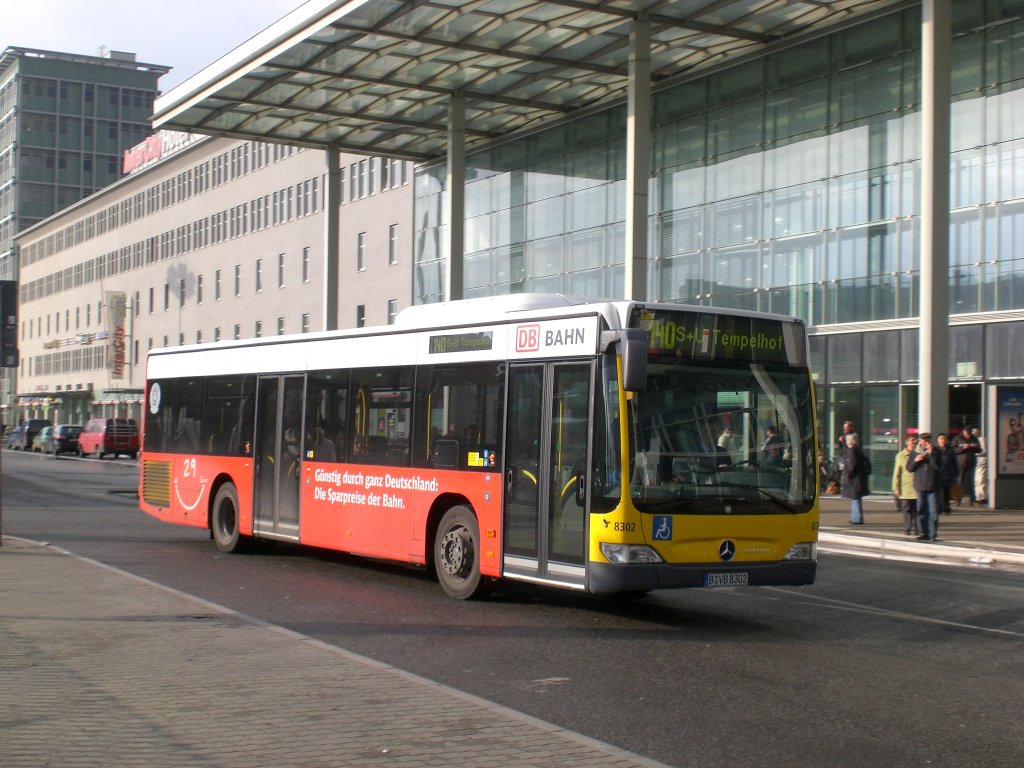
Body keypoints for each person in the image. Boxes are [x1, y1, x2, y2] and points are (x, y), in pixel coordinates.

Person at [907, 432, 941, 541]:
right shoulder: (915, 452)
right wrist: (916, 461)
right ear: (920, 441)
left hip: (933, 486)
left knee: (933, 511)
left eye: (928, 441)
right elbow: (909, 468)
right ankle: (923, 533)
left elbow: (938, 467)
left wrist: (931, 455)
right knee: (921, 510)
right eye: (923, 441)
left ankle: (932, 534)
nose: (925, 443)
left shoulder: (936, 452)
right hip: (920, 485)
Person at [840, 432, 869, 525]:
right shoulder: (859, 449)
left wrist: (848, 474)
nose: (847, 441)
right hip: (860, 478)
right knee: (857, 498)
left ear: (851, 441)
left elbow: (852, 464)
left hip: (854, 478)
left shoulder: (852, 450)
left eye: (848, 440)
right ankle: (858, 517)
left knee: (855, 498)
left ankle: (856, 518)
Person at [892, 433, 918, 535]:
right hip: (905, 487)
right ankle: (907, 528)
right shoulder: (900, 456)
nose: (913, 442)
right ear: (907, 442)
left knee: (917, 510)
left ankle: (917, 528)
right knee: (907, 509)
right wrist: (896, 488)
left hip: (917, 486)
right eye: (911, 440)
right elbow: (896, 473)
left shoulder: (919, 454)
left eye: (915, 440)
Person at [952, 427, 980, 506]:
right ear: (963, 432)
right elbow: (953, 449)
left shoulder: (974, 438)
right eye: (966, 433)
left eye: (969, 433)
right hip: (961, 463)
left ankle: (972, 500)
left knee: (971, 481)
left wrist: (976, 447)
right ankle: (958, 500)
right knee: (960, 481)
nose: (968, 435)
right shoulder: (958, 438)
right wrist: (962, 448)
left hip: (971, 462)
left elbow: (979, 450)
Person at [935, 432, 959, 514]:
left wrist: (956, 474)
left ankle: (946, 508)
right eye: (941, 439)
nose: (943, 440)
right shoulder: (935, 450)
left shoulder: (951, 451)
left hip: (948, 474)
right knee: (938, 493)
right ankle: (938, 508)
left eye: (944, 439)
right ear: (938, 441)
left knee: (946, 492)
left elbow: (954, 463)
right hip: (938, 475)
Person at [973, 427, 987, 505]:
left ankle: (982, 498)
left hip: (981, 462)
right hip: (975, 463)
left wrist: (976, 454)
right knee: (976, 481)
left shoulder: (981, 439)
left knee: (981, 480)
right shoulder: (972, 440)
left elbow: (985, 451)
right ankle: (977, 497)